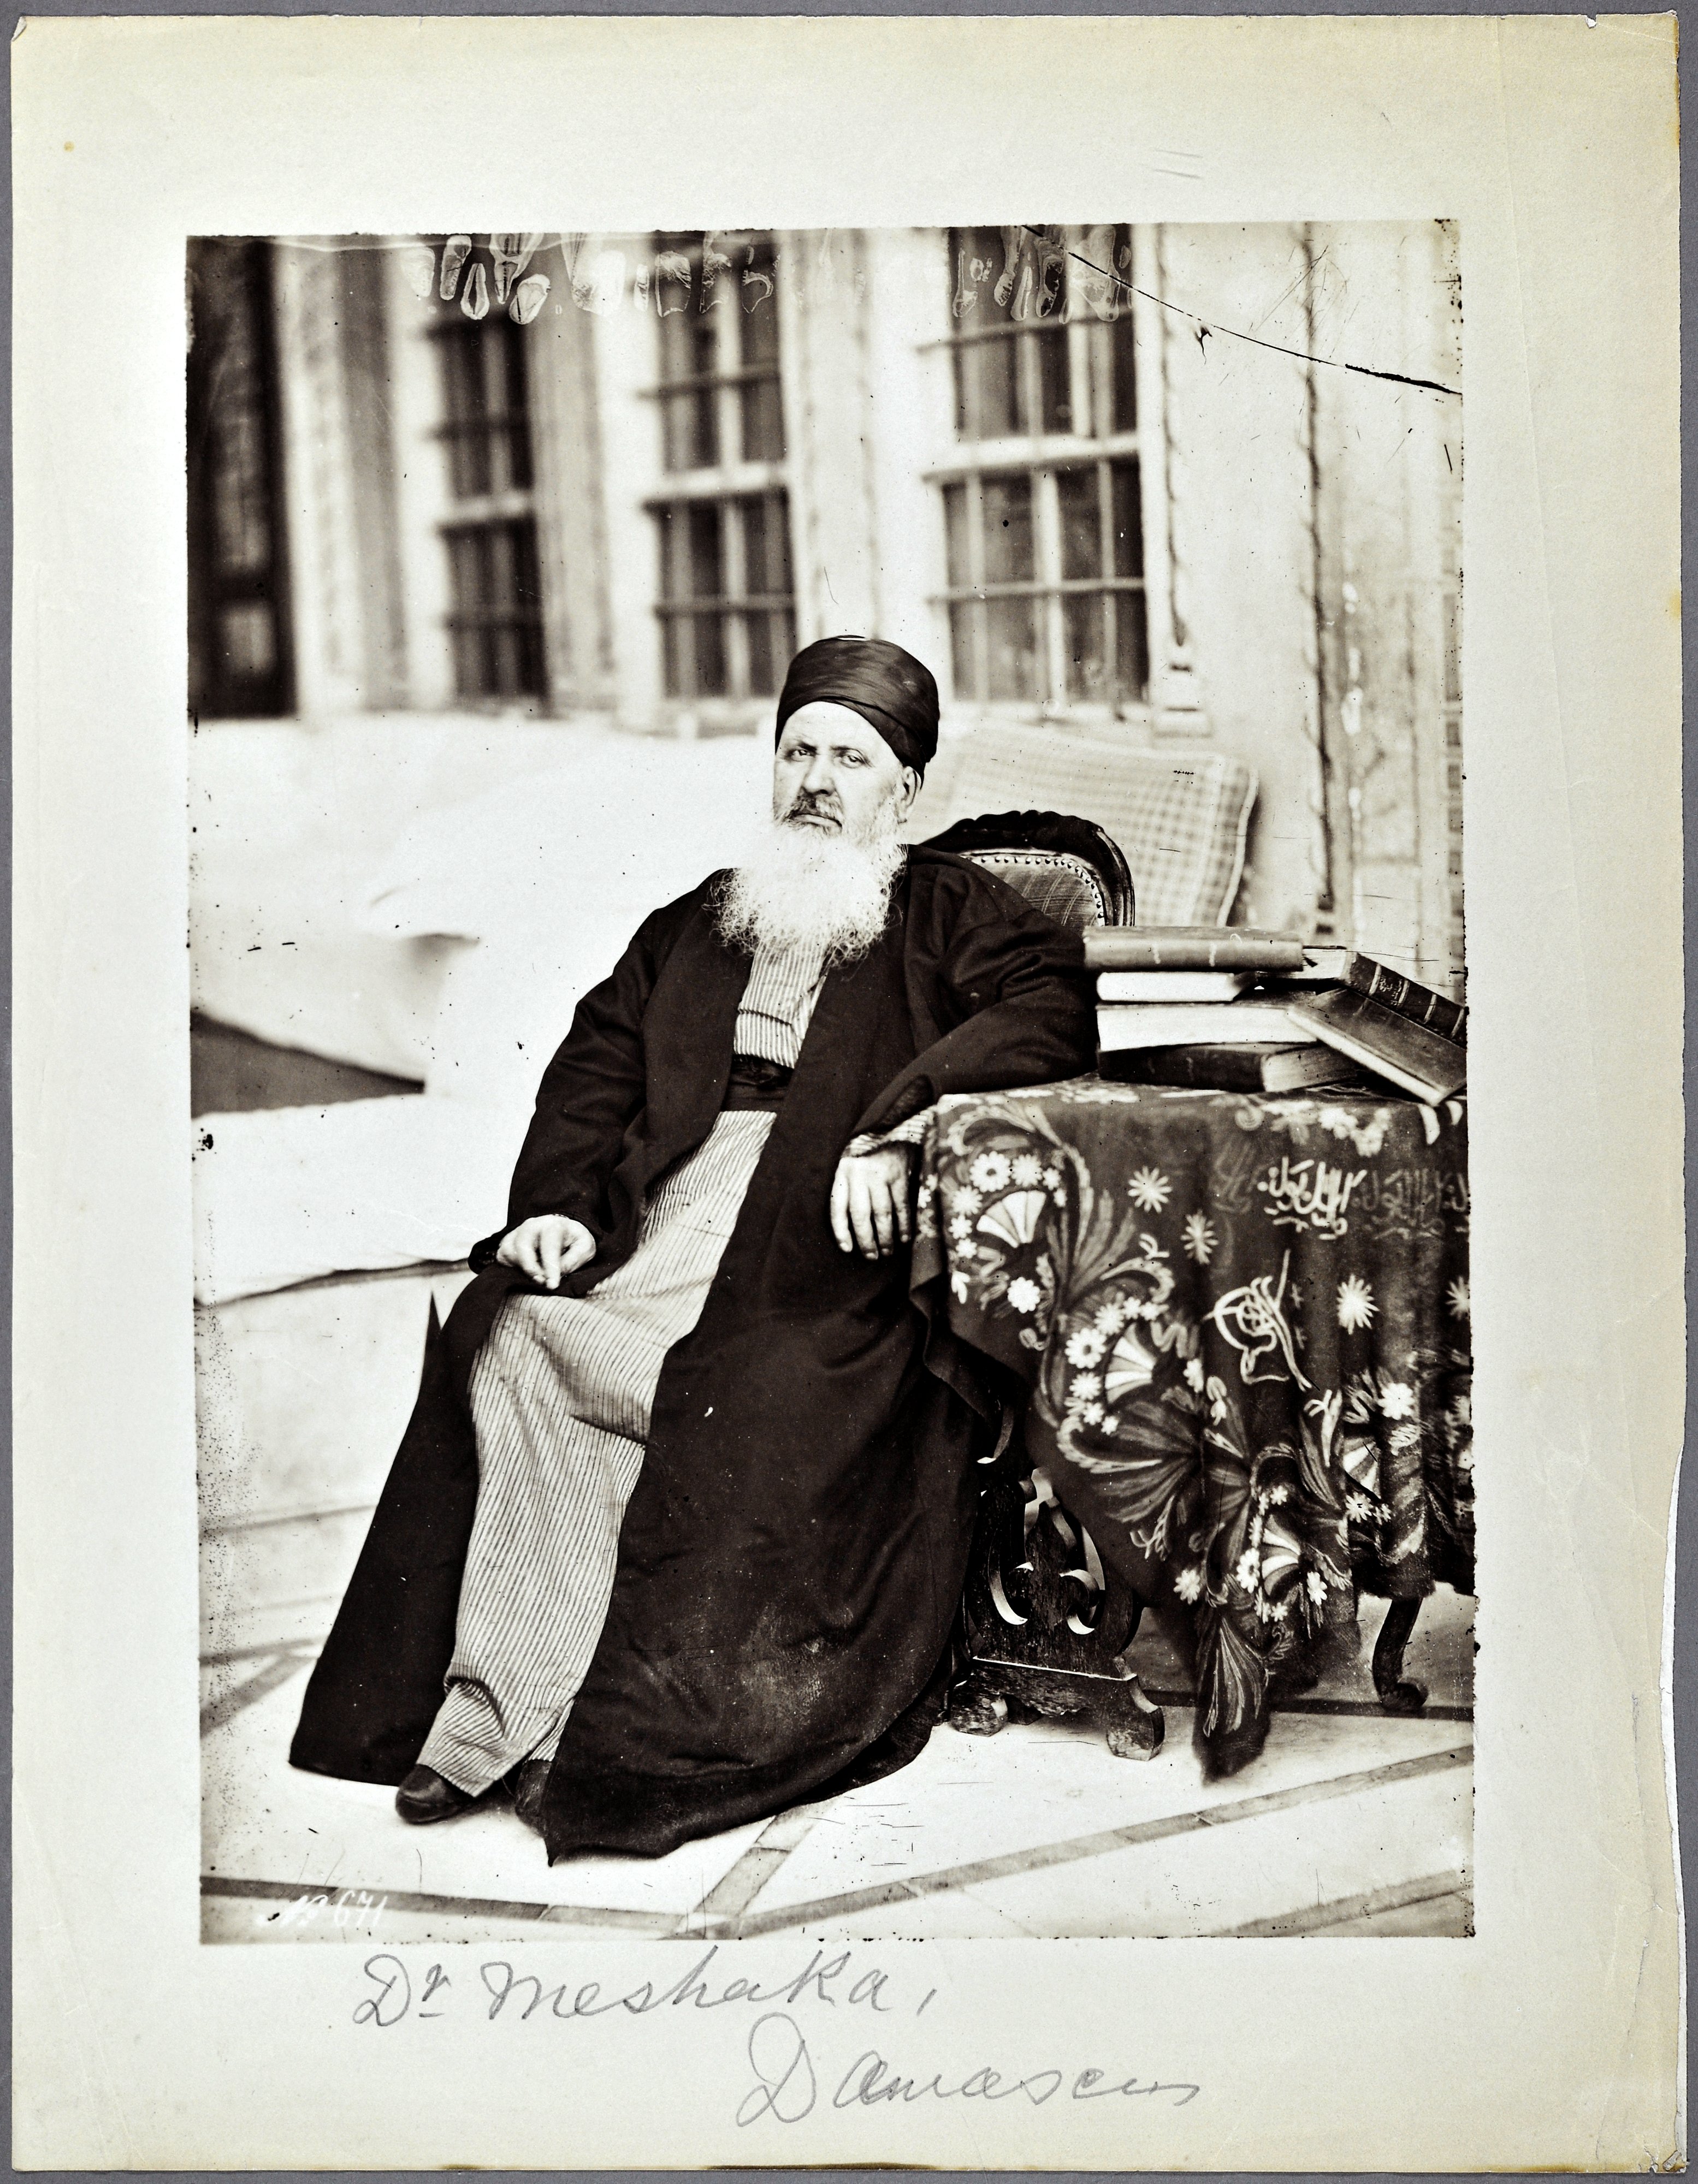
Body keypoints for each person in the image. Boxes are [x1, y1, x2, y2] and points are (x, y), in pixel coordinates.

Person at [290, 635, 1096, 1862]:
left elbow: (1049, 1016)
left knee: (717, 1384)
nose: (815, 781)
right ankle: (495, 1713)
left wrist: (904, 1129)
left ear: (905, 790)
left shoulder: (956, 912)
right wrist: (559, 1201)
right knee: (514, 1327)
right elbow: (597, 1068)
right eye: (797, 752)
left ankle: (602, 1726)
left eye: (850, 759)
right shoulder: (703, 918)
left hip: (826, 1246)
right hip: (664, 1212)